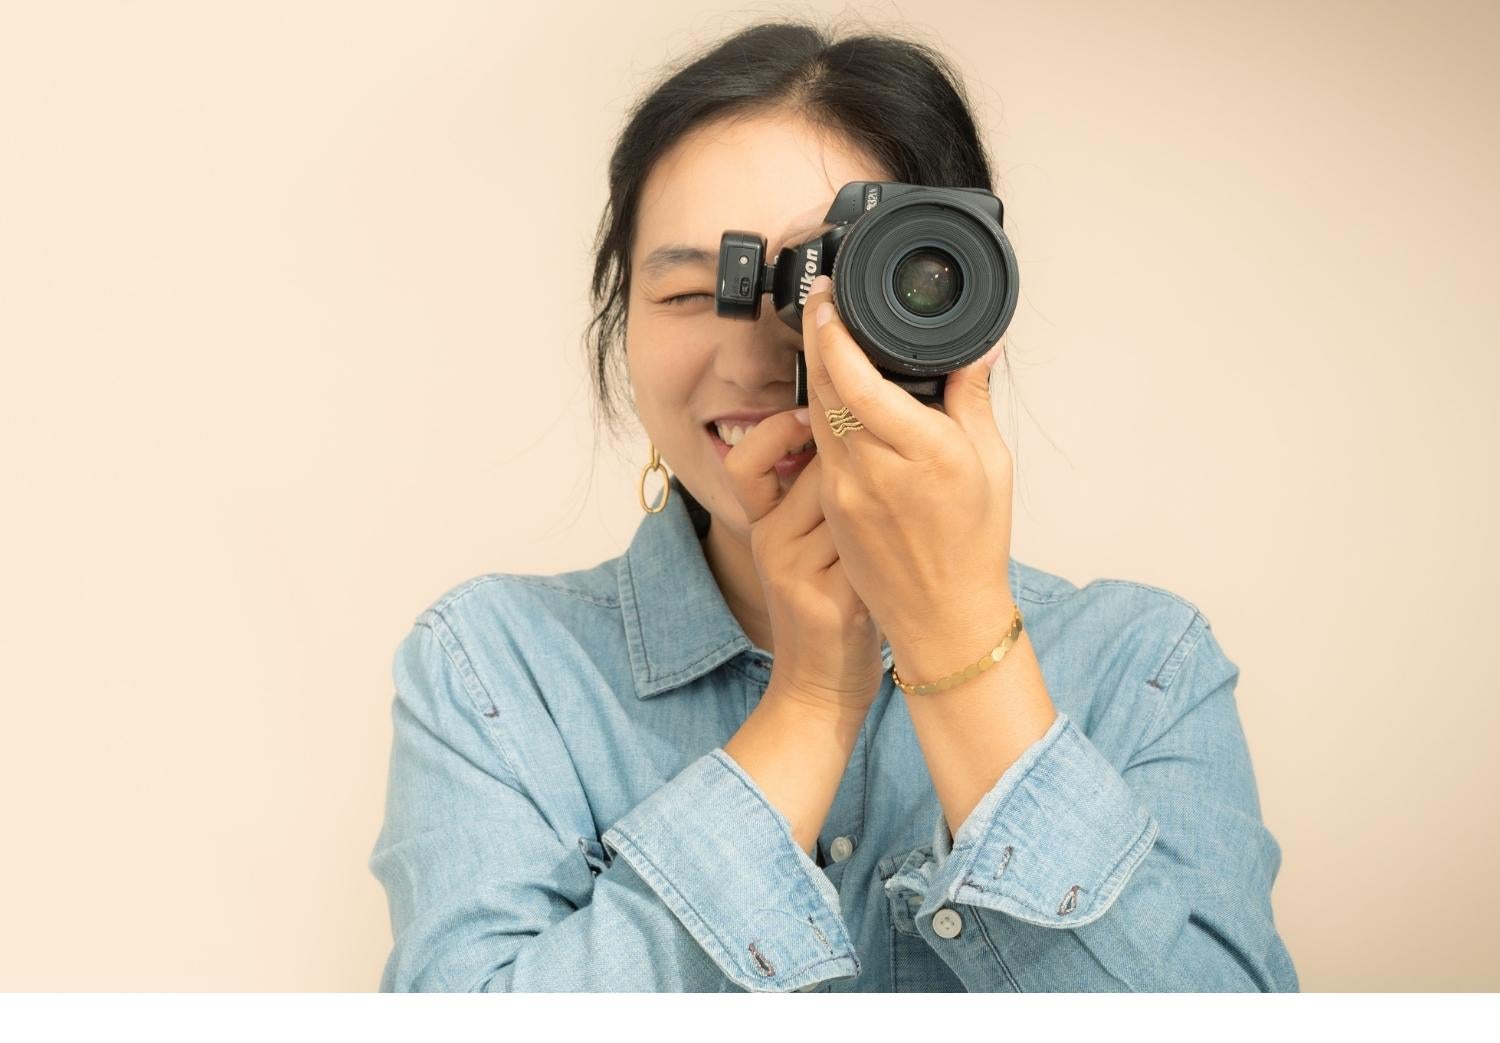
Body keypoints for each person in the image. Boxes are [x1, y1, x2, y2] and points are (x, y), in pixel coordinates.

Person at [368, 21, 1298, 993]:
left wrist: (959, 650)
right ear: (619, 323)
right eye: (694, 293)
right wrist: (809, 708)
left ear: (960, 299)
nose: (760, 355)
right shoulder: (498, 669)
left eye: (831, 283)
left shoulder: (1141, 669)